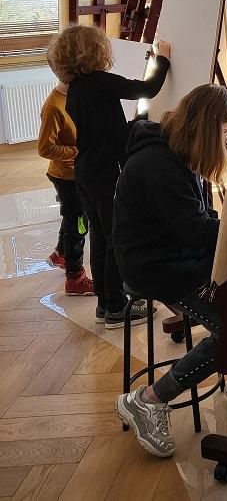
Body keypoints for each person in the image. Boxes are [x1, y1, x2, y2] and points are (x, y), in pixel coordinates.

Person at [114, 84, 227, 458]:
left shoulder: (179, 151)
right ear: (207, 130)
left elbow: (201, 219)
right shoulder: (158, 165)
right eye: (225, 133)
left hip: (177, 253)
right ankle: (149, 399)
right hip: (154, 266)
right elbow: (197, 230)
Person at [46, 25, 170, 328]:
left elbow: (104, 129)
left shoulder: (76, 89)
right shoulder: (101, 82)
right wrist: (162, 60)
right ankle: (116, 307)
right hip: (105, 174)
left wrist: (136, 124)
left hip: (85, 172)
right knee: (117, 237)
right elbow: (148, 88)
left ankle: (105, 304)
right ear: (95, 52)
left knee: (101, 238)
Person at [37, 80, 93, 295]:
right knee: (78, 224)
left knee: (73, 216)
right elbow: (45, 148)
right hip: (67, 176)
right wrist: (79, 151)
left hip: (75, 173)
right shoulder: (53, 106)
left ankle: (61, 253)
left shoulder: (75, 96)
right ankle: (75, 278)